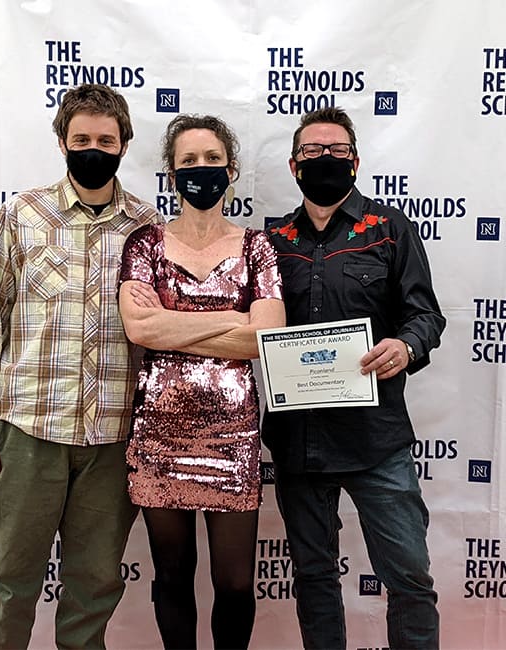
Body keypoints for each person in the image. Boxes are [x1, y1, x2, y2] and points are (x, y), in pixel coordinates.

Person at [0, 83, 161, 650]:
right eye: (81, 139)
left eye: (105, 139)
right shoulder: (22, 216)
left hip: (113, 439)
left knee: (93, 590)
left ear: (124, 144)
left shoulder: (147, 230)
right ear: (62, 142)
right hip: (28, 432)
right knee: (10, 586)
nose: (93, 148)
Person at [262, 107, 445, 650]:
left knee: (409, 579)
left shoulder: (390, 229)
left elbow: (426, 316)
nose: (326, 159)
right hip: (300, 442)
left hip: (376, 439)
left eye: (337, 151)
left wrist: (406, 346)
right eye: (313, 152)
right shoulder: (271, 241)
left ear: (356, 161)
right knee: (315, 581)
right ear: (295, 166)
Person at [118, 113, 285, 650]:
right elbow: (140, 328)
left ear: (230, 171)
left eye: (212, 159)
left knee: (235, 583)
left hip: (233, 435)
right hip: (159, 434)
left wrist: (175, 325)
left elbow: (266, 337)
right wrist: (232, 321)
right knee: (171, 576)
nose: (201, 169)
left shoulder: (257, 246)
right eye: (188, 160)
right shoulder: (144, 244)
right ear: (171, 173)